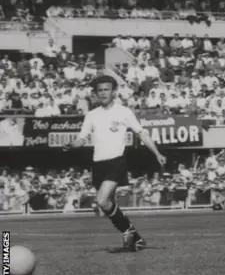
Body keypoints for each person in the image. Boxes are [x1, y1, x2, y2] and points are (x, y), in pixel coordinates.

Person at [66, 75, 166, 252]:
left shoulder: (124, 112)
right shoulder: (91, 115)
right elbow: (81, 139)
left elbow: (142, 133)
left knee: (101, 200)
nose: (103, 93)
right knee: (106, 205)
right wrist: (72, 145)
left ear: (114, 92)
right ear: (95, 93)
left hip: (116, 162)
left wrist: (156, 152)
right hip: (98, 164)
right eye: (100, 90)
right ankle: (136, 237)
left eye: (106, 90)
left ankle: (128, 233)